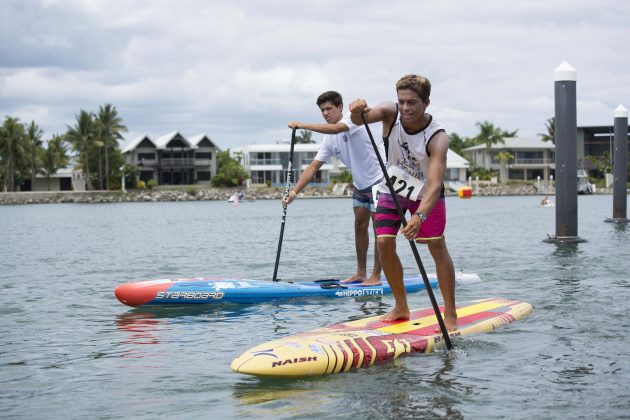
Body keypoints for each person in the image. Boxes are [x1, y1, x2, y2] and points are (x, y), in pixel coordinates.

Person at [349, 74, 457, 329]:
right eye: (402, 101)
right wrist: (356, 111)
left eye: (412, 103)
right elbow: (359, 119)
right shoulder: (390, 112)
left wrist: (419, 216)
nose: (406, 108)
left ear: (426, 103)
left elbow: (434, 183)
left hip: (425, 195)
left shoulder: (437, 136)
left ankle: (450, 312)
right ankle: (401, 306)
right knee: (384, 242)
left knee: (435, 247)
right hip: (392, 189)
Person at [283, 91, 385, 286]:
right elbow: (313, 166)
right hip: (360, 184)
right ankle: (361, 273)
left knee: (380, 230)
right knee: (359, 227)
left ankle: (376, 275)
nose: (325, 113)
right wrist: (294, 192)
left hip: (380, 181)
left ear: (340, 107)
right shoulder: (327, 140)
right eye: (322, 110)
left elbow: (337, 129)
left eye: (329, 108)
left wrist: (302, 125)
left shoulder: (352, 120)